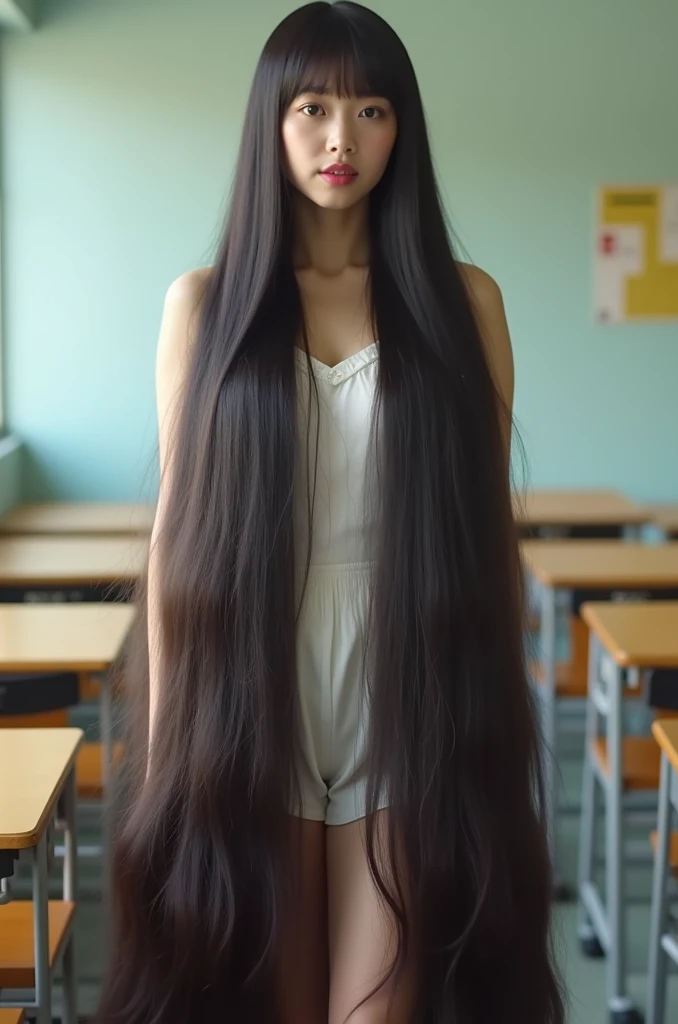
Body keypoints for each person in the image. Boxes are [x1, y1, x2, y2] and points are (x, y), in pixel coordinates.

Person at [95, 3, 565, 1023]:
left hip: (412, 681)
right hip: (247, 683)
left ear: (403, 130)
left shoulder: (462, 302)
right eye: (311, 108)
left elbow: (489, 538)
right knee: (278, 1004)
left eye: (370, 109)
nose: (340, 138)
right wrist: (172, 729)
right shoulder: (204, 304)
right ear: (272, 123)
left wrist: (489, 702)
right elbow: (177, 532)